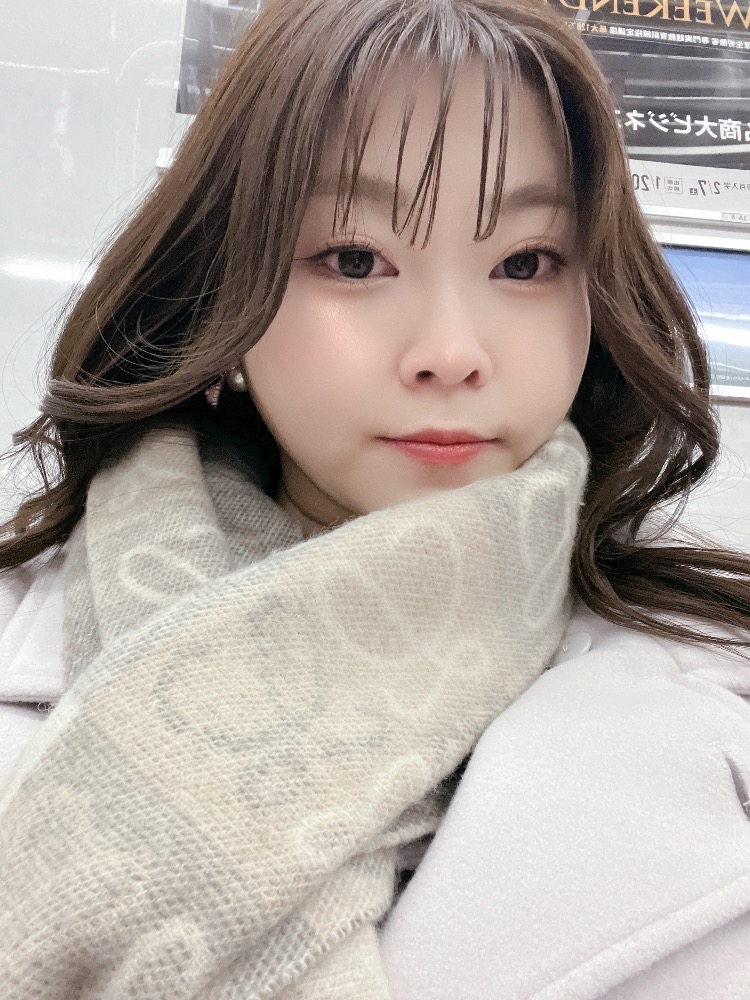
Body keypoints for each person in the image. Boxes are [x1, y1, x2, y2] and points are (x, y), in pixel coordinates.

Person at [0, 0, 749, 996]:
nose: (451, 351)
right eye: (354, 259)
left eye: (525, 262)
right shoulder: (24, 622)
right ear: (224, 287)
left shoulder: (715, 687)